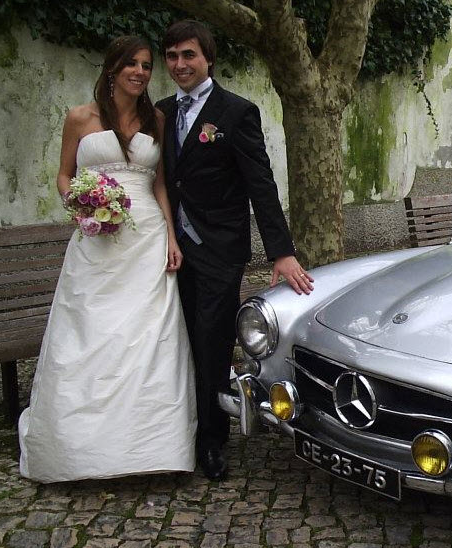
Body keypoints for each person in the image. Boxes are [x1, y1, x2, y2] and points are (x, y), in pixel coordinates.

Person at [19, 36, 196, 483]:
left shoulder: (155, 118)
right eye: (131, 64)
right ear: (112, 69)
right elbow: (64, 176)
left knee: (148, 337)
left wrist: (172, 238)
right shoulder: (81, 117)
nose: (140, 72)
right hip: (97, 238)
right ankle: (78, 447)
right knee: (90, 330)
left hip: (147, 239)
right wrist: (81, 206)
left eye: (146, 65)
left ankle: (152, 447)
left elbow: (159, 185)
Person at [158, 20, 313, 481]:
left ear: (208, 58)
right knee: (173, 338)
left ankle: (210, 441)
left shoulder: (237, 112)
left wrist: (280, 252)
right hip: (167, 247)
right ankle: (172, 429)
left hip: (218, 248)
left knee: (210, 342)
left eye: (188, 55)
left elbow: (259, 185)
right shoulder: (162, 112)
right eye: (172, 56)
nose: (180, 64)